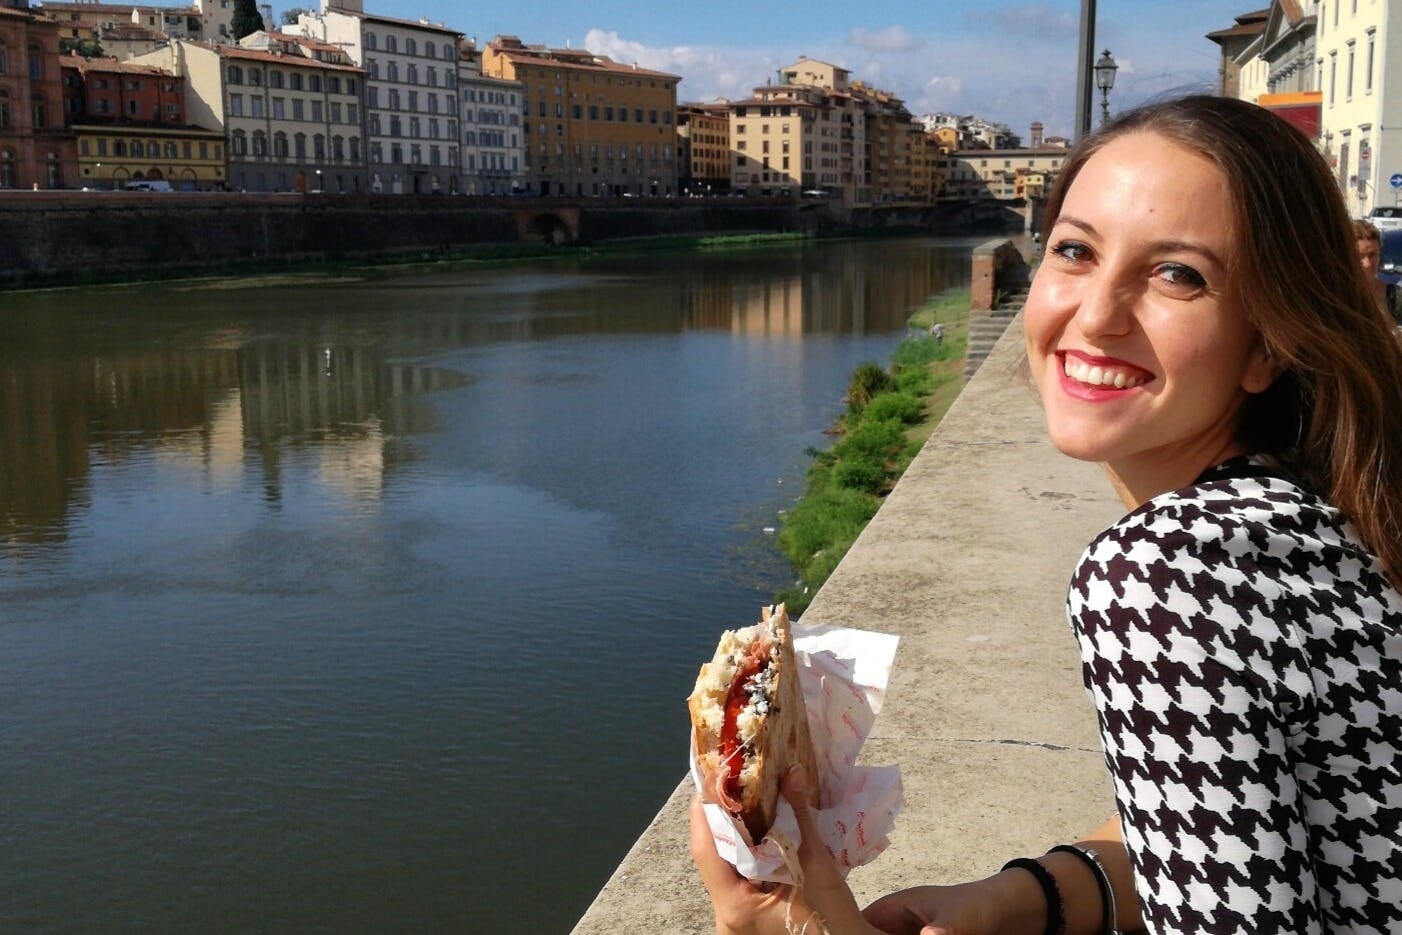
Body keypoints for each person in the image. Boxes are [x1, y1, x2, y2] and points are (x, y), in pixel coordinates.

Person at [692, 95, 1402, 935]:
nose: (1095, 316)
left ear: (1267, 346)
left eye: (1179, 274)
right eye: (1075, 251)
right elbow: (1230, 830)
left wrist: (798, 927)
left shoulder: (1166, 573)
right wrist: (1033, 894)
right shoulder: (1320, 509)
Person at [1352, 219, 1391, 310]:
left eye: (1373, 255)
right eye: (1359, 256)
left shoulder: (1394, 297)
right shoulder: (1330, 299)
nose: (1367, 264)